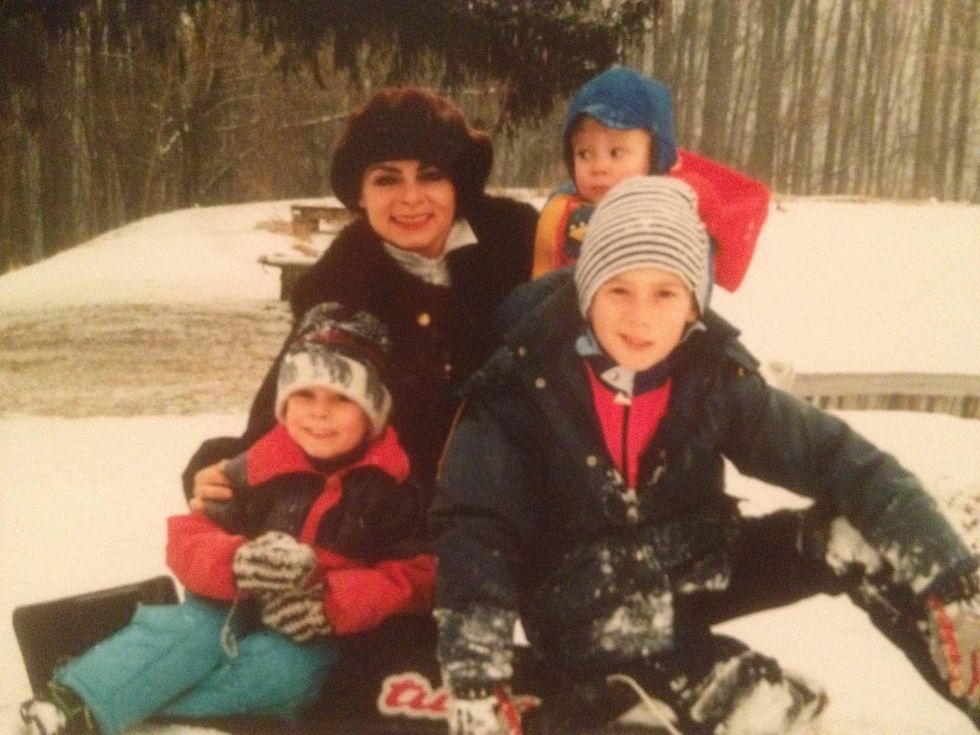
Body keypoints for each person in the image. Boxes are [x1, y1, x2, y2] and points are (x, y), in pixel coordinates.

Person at [431, 176, 980, 734]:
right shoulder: (522, 386)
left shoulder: (711, 375)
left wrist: (951, 578)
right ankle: (693, 694)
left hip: (694, 564)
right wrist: (476, 676)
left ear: (694, 303)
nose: (640, 316)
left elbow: (843, 462)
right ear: (586, 292)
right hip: (584, 607)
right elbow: (476, 530)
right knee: (756, 710)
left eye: (665, 293)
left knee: (858, 540)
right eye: (618, 290)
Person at [20, 303, 434, 735]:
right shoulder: (257, 466)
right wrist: (236, 563)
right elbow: (188, 537)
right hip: (227, 605)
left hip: (310, 632)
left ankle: (148, 712)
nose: (319, 412)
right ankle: (73, 704)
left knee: (285, 671)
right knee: (189, 633)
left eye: (342, 399)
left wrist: (331, 602)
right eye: (304, 395)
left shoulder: (392, 489)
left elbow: (417, 576)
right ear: (283, 403)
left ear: (373, 412)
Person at [184, 86, 538, 506]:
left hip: (534, 489)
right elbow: (289, 414)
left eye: (430, 175)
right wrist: (218, 470)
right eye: (387, 179)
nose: (411, 197)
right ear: (360, 195)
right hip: (409, 513)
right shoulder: (342, 287)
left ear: (457, 184)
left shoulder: (524, 246)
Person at [532, 66, 769, 296]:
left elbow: (687, 300)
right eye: (584, 154)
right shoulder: (562, 207)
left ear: (654, 157)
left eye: (616, 153)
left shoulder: (673, 219)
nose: (598, 167)